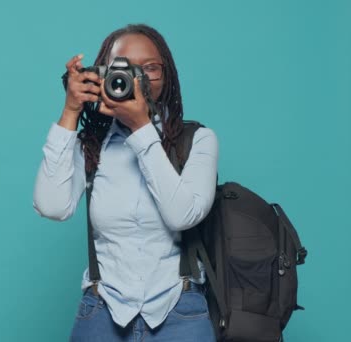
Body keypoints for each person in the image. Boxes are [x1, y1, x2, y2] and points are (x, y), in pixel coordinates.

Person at [32, 23, 218, 341]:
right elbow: (51, 207)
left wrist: (141, 128)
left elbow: (182, 216)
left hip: (180, 310)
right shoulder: (93, 145)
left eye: (150, 68)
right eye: (125, 69)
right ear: (102, 75)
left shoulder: (197, 140)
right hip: (102, 310)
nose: (137, 78)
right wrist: (70, 111)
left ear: (167, 76)